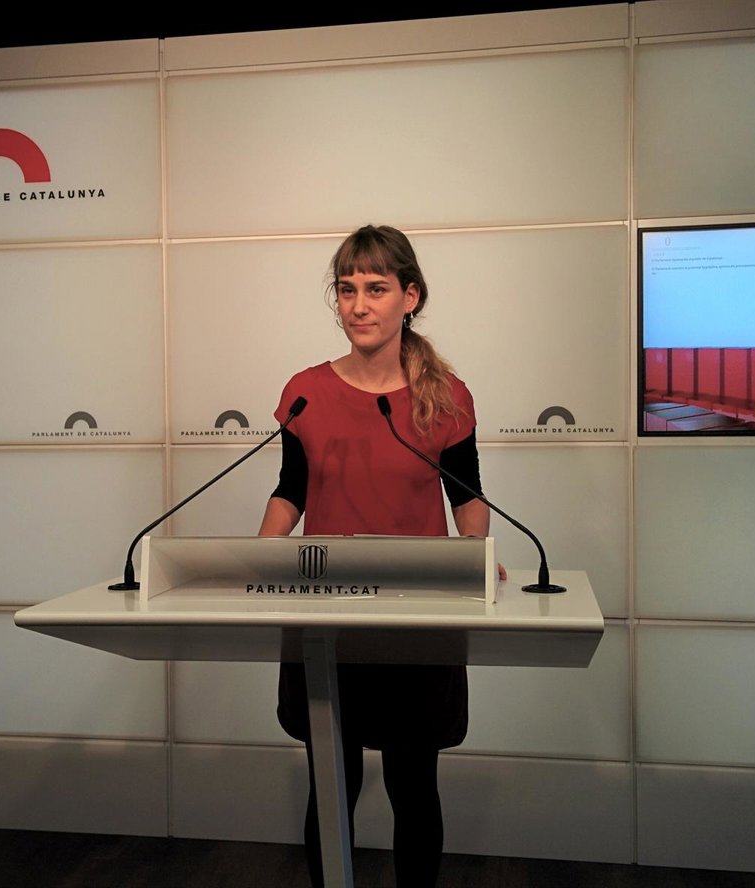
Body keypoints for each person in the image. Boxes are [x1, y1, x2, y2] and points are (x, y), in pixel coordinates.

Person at [258, 224, 497, 887]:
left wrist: (477, 556)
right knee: (331, 783)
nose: (358, 305)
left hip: (416, 617)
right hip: (323, 615)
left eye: (376, 289)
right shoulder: (306, 392)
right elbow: (291, 490)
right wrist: (259, 560)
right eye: (346, 290)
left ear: (410, 297)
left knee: (412, 784)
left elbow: (466, 497)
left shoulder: (446, 395)